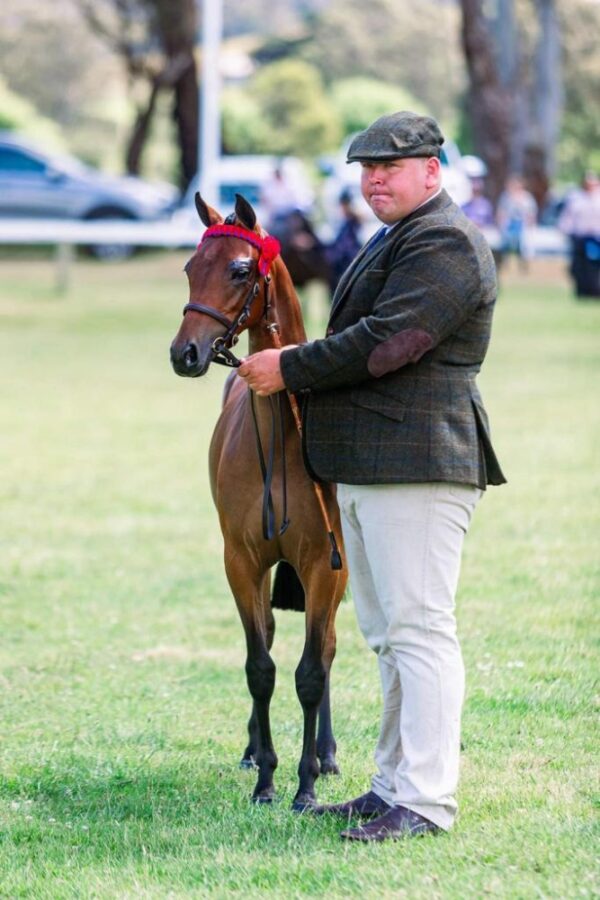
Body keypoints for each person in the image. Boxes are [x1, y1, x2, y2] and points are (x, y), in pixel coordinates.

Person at [239, 111, 506, 843]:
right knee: (390, 636)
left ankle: (424, 801)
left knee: (419, 633)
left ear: (433, 169)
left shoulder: (446, 241)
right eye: (366, 168)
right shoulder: (397, 238)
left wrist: (288, 365)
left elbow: (390, 343)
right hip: (371, 466)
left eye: (393, 165)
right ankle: (392, 785)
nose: (376, 178)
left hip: (417, 463)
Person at [558, 171, 600, 299]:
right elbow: (567, 218)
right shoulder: (576, 198)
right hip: (580, 239)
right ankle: (582, 292)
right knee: (579, 268)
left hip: (597, 239)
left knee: (595, 269)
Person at [326, 188, 363, 295]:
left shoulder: (353, 219)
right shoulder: (343, 221)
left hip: (349, 255)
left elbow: (348, 242)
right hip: (342, 253)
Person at [496, 174, 537, 270]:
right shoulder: (506, 196)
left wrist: (530, 224)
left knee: (523, 246)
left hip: (522, 225)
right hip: (509, 225)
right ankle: (504, 265)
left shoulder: (527, 197)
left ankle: (523, 266)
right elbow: (501, 212)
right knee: (505, 245)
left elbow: (531, 213)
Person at [460, 155, 494, 229]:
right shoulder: (459, 204)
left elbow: (489, 227)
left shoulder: (485, 205)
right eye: (472, 179)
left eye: (479, 179)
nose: (477, 184)